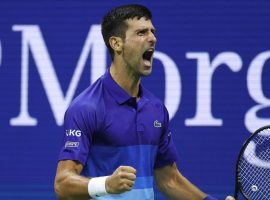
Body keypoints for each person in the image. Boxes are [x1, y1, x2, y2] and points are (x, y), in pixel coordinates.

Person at [54, 4, 235, 200]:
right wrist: (106, 184)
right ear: (116, 44)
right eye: (141, 33)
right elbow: (62, 184)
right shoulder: (86, 108)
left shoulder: (156, 109)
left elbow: (169, 179)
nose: (152, 38)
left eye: (152, 32)